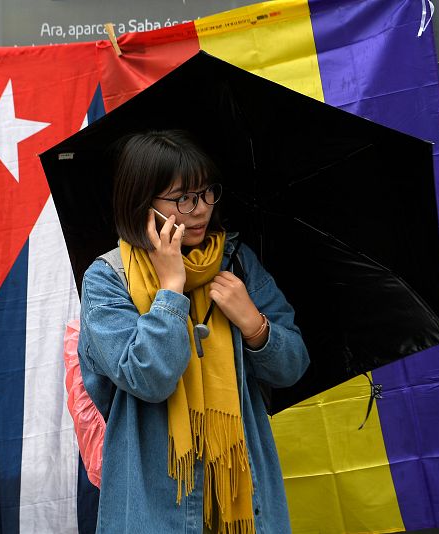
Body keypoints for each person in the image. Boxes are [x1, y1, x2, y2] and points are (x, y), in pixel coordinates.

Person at [77, 130, 309, 533]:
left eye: (207, 192)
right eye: (183, 198)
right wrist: (170, 291)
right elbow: (148, 379)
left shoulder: (236, 262)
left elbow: (292, 367)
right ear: (144, 201)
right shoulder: (107, 279)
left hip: (244, 502)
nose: (200, 209)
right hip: (154, 503)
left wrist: (255, 325)